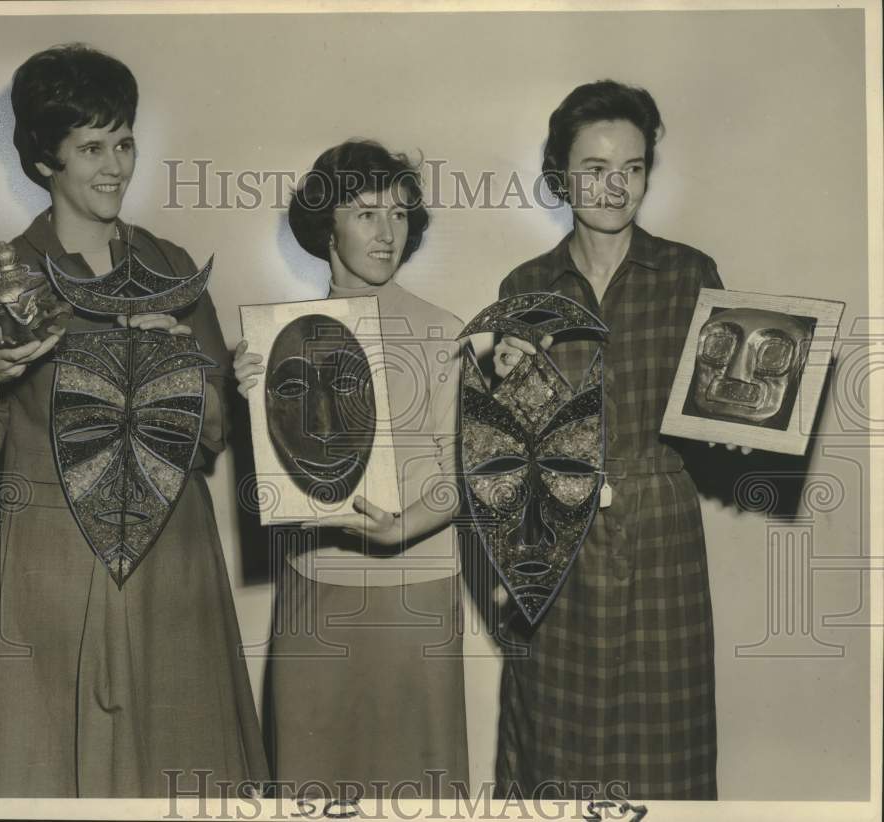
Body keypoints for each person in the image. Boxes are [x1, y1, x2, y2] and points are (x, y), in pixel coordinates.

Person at [0, 43, 268, 797]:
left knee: (186, 778)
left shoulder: (172, 266)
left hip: (174, 569)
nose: (115, 165)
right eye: (91, 147)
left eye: (124, 142)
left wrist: (184, 375)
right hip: (51, 573)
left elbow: (213, 435)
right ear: (46, 159)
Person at [493, 80, 744, 801]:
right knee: (556, 748)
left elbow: (721, 434)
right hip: (557, 544)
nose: (615, 186)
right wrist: (510, 389)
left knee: (664, 753)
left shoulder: (692, 276)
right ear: (559, 173)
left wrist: (750, 424)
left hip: (661, 538)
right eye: (595, 167)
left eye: (632, 168)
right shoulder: (525, 284)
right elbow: (504, 455)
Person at [233, 140, 469, 798]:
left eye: (398, 215)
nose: (386, 232)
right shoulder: (283, 337)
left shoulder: (443, 332)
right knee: (315, 783)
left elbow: (468, 475)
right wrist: (250, 396)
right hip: (316, 589)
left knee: (417, 791)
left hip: (414, 595)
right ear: (326, 224)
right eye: (365, 213)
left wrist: (403, 529)